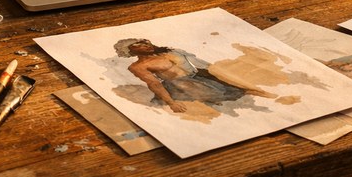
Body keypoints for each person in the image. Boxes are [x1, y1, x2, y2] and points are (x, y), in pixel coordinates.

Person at [114, 38, 273, 114]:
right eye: (138, 46)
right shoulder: (138, 66)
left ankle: (264, 95)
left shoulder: (167, 52)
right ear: (130, 52)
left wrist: (214, 72)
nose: (145, 46)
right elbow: (154, 84)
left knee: (238, 86)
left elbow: (198, 63)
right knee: (222, 95)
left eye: (145, 43)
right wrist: (171, 103)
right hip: (180, 85)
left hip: (198, 76)